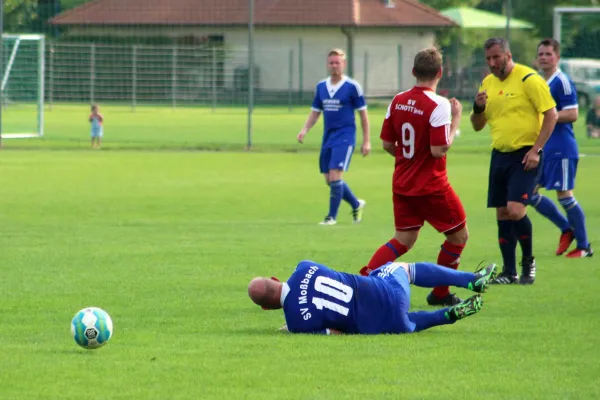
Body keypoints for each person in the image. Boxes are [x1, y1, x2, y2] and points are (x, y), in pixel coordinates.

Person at [359, 47, 467, 308]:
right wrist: (456, 120)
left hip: (402, 183)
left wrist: (408, 160)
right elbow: (438, 149)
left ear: (413, 72)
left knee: (403, 239)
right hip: (431, 186)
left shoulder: (397, 100)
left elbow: (386, 143)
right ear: (440, 73)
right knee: (458, 237)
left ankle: (363, 280)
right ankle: (440, 293)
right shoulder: (439, 104)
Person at [470, 38, 558, 285]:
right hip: (499, 154)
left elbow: (552, 114)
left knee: (516, 209)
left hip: (525, 154)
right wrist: (477, 108)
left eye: (496, 57)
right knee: (502, 212)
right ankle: (509, 272)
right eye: (488, 58)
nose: (492, 63)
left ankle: (528, 262)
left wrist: (536, 150)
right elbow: (477, 126)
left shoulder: (529, 79)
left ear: (508, 55)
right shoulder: (487, 83)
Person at [248, 260, 497, 335]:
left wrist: (290, 327)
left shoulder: (297, 325)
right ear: (275, 278)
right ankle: (471, 279)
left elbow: (335, 333)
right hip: (388, 291)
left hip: (384, 324)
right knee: (401, 268)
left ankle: (449, 315)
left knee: (406, 322)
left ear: (266, 309)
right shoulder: (303, 267)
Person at [532, 38, 592, 258]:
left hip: (562, 148)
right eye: (541, 54)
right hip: (543, 149)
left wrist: (548, 116)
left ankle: (585, 246)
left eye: (549, 54)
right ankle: (567, 229)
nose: (544, 58)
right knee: (528, 193)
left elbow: (573, 113)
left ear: (557, 57)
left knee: (565, 196)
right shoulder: (539, 81)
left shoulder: (562, 82)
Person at [297, 48, 370, 226]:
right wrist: (304, 129)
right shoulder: (321, 86)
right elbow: (315, 112)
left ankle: (331, 217)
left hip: (345, 136)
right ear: (327, 64)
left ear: (343, 64)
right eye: (331, 62)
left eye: (338, 62)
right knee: (329, 180)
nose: (334, 66)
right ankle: (355, 203)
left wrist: (366, 140)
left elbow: (363, 116)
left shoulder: (352, 87)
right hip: (328, 136)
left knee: (335, 174)